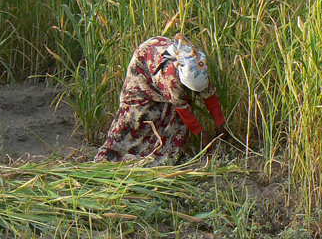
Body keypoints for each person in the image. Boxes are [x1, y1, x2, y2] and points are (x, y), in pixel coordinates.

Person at [94, 34, 226, 164]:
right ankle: (123, 154)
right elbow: (183, 110)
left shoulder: (198, 67)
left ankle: (166, 152)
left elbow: (210, 97)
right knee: (135, 116)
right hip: (145, 61)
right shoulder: (172, 79)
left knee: (174, 121)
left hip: (161, 61)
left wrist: (220, 124)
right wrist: (201, 134)